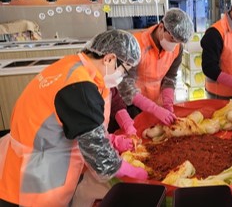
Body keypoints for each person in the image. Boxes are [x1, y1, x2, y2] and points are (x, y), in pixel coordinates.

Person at [0, 30, 148, 207]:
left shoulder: (73, 66)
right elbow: (102, 160)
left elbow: (77, 125)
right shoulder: (80, 86)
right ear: (109, 59)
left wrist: (111, 139)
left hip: (27, 163)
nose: (122, 77)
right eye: (124, 71)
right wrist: (134, 171)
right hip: (36, 178)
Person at [117, 8, 194, 126]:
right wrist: (154, 109)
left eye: (178, 42)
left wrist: (167, 103)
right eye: (172, 39)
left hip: (158, 104)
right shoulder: (135, 45)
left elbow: (170, 77)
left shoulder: (178, 49)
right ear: (161, 27)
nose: (174, 45)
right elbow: (126, 88)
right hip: (134, 106)